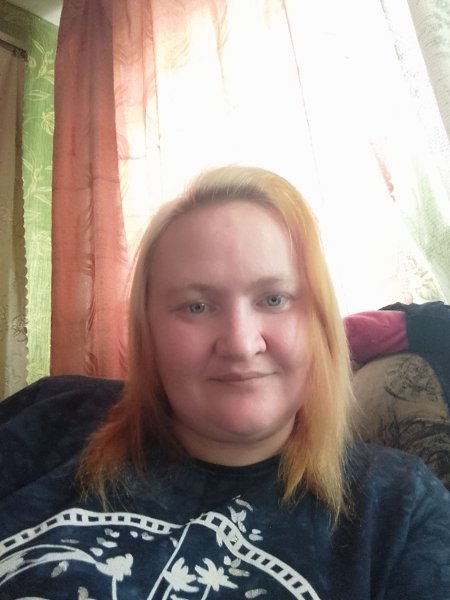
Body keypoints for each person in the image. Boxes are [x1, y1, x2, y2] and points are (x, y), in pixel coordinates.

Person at [0, 165, 449, 599]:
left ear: (320, 323)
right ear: (148, 331)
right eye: (197, 306)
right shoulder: (49, 415)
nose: (240, 343)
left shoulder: (400, 506)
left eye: (274, 299)